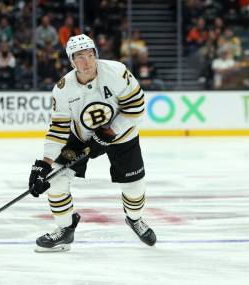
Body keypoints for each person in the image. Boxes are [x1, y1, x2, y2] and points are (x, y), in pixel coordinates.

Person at [28, 34, 156, 252]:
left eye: (90, 54)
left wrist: (108, 133)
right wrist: (45, 163)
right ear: (71, 61)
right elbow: (58, 129)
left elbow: (137, 109)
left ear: (96, 54)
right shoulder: (62, 89)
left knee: (135, 186)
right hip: (82, 137)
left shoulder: (116, 72)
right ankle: (65, 230)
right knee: (54, 180)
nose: (86, 61)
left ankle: (134, 219)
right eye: (79, 57)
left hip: (122, 135)